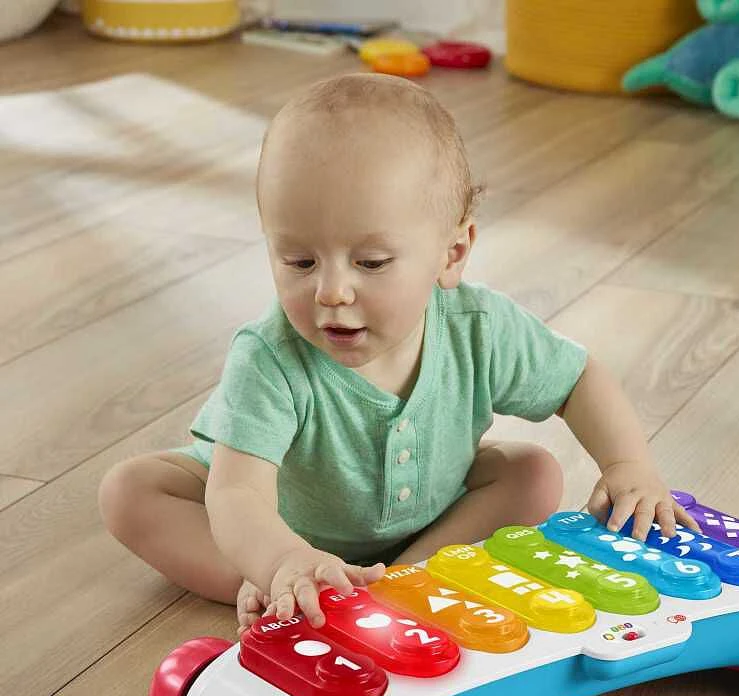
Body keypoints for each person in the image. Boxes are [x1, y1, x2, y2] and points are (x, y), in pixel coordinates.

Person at [99, 73, 696, 634]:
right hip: (273, 527)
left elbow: (578, 380)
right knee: (131, 491)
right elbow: (236, 496)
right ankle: (282, 586)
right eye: (299, 261)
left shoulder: (480, 328)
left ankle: (410, 577)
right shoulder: (271, 356)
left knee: (534, 473)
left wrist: (627, 468)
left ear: (452, 253)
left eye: (371, 262)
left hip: (425, 516)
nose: (331, 290)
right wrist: (278, 558)